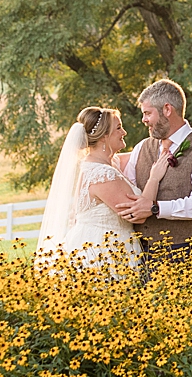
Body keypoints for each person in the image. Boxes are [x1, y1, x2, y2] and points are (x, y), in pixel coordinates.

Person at [35, 107, 169, 274]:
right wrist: (154, 178)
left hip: (108, 245)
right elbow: (137, 214)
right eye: (118, 128)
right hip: (103, 253)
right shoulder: (102, 175)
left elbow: (138, 154)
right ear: (104, 136)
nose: (124, 132)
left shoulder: (106, 162)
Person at [116, 78, 192, 263]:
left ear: (167, 109)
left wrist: (156, 208)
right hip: (139, 251)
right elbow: (130, 193)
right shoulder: (142, 147)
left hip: (183, 252)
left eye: (147, 113)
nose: (143, 120)